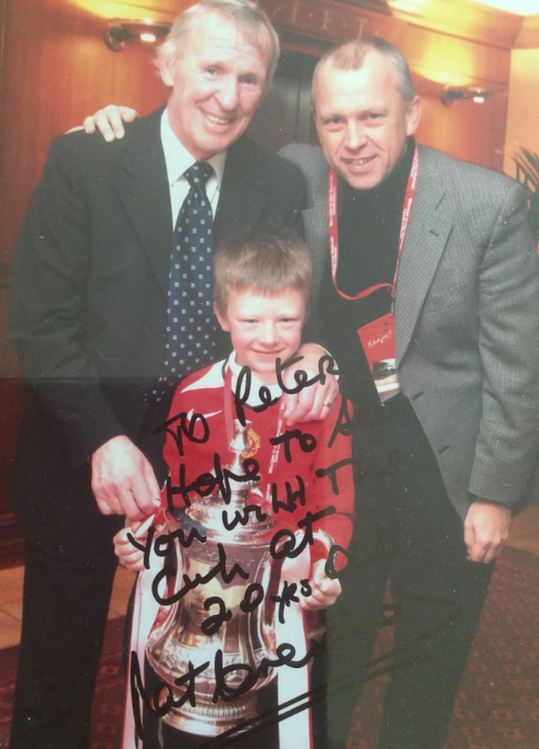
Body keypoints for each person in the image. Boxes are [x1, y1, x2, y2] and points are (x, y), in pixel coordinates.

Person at [88, 35, 539, 749]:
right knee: (329, 648)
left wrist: (493, 493)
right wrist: (119, 127)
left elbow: (518, 365)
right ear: (315, 126)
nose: (352, 140)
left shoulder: (489, 204)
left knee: (429, 653)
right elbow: (201, 140)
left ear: (411, 114)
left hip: (440, 463)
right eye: (334, 121)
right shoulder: (297, 175)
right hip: (335, 458)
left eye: (371, 118)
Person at [7, 3, 338, 749]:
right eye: (212, 69)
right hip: (81, 455)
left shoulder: (275, 183)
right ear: (167, 66)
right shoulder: (85, 159)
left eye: (248, 77)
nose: (228, 95)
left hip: (211, 472)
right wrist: (102, 439)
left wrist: (312, 350)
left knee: (200, 670)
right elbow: (41, 321)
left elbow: (278, 309)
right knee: (58, 667)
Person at [114, 228, 354, 748]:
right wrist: (141, 534)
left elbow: (337, 506)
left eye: (286, 320)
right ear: (223, 317)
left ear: (305, 316)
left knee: (273, 729)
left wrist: (324, 565)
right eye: (250, 320)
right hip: (201, 601)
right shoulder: (194, 394)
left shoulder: (325, 404)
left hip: (282, 603)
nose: (269, 336)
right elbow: (176, 499)